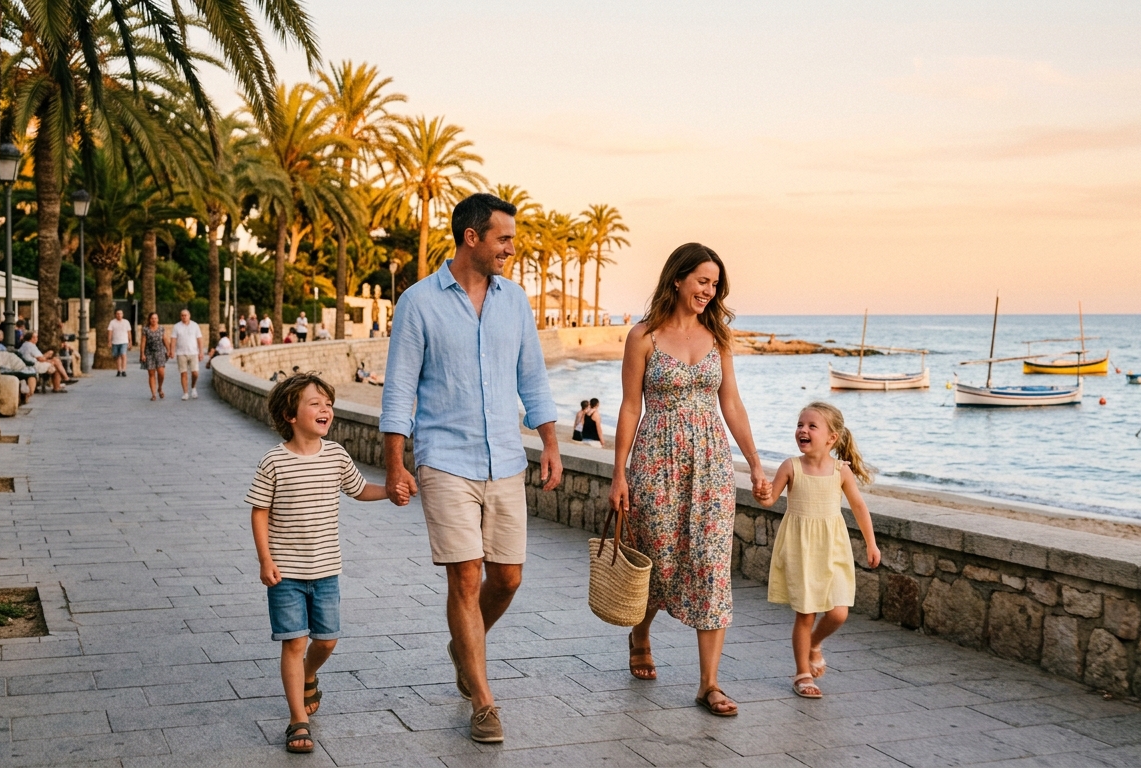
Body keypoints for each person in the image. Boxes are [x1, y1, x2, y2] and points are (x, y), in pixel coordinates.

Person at [380, 193, 562, 745]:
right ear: (472, 237)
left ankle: (465, 644)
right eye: (504, 239)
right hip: (445, 458)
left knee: (507, 578)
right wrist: (395, 463)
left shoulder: (515, 302)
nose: (512, 248)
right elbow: (399, 387)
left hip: (506, 456)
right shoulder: (418, 302)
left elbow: (532, 378)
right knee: (465, 575)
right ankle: (483, 699)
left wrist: (550, 442)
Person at [607, 243, 769, 717]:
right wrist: (619, 472)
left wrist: (755, 463)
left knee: (712, 566)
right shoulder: (644, 336)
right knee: (655, 559)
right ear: (677, 279)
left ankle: (709, 684)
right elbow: (630, 406)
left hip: (712, 464)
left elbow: (732, 404)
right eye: (702, 281)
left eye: (715, 284)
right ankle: (640, 634)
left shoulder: (718, 336)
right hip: (655, 461)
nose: (709, 291)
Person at [246, 373, 389, 753]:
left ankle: (309, 674)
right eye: (315, 403)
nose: (325, 409)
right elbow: (259, 512)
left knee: (326, 641)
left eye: (328, 403)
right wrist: (265, 560)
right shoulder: (274, 461)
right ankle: (298, 721)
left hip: (326, 570)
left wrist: (390, 490)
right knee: (293, 643)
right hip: (286, 574)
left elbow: (358, 490)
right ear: (290, 414)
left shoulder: (337, 455)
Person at [755, 402, 881, 699]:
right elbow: (770, 499)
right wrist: (762, 493)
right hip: (801, 549)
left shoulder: (841, 471)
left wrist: (871, 543)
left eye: (812, 426)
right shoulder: (791, 466)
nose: (803, 430)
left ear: (831, 438)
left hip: (833, 548)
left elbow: (859, 508)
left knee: (838, 613)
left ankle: (813, 644)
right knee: (806, 613)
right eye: (800, 424)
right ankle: (802, 673)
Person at [169, 309, 204, 401]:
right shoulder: (177, 326)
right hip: (181, 353)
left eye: (186, 315)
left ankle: (193, 388)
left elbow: (199, 339)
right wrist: (172, 351)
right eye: (182, 315)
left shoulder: (195, 325)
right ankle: (185, 393)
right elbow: (173, 339)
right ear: (180, 316)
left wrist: (201, 352)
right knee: (183, 373)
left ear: (189, 316)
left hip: (193, 352)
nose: (184, 317)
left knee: (195, 372)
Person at [140, 313, 168, 400]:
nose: (154, 320)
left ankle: (159, 388)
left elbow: (165, 340)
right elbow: (143, 342)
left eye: (155, 318)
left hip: (160, 352)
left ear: (158, 319)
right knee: (151, 374)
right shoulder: (145, 329)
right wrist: (142, 354)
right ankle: (153, 394)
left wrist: (169, 350)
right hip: (149, 353)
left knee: (161, 373)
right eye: (152, 318)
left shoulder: (161, 328)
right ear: (149, 319)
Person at [107, 309, 133, 376]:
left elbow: (129, 332)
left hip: (124, 341)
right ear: (115, 314)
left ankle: (124, 370)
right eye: (118, 313)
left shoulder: (126, 322)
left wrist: (130, 341)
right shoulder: (112, 322)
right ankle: (119, 370)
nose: (119, 315)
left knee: (123, 355)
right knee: (117, 356)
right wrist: (109, 341)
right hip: (115, 342)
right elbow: (110, 332)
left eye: (120, 313)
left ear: (123, 314)